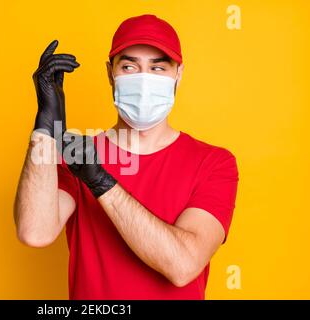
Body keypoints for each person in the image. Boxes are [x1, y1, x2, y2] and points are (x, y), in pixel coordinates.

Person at [14, 14, 239, 300]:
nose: (144, 81)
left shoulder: (214, 163)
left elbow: (183, 265)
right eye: (130, 66)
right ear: (111, 73)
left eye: (158, 68)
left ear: (178, 74)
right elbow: (35, 232)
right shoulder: (76, 155)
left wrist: (100, 183)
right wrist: (44, 128)